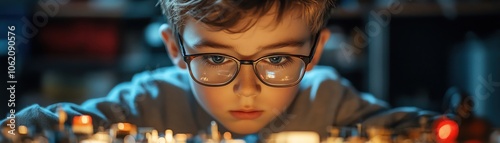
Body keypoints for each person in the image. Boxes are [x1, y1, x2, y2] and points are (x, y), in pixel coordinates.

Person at [1, 0, 437, 142]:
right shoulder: (147, 101)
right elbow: (34, 125)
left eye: (278, 60)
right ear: (175, 49)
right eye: (214, 59)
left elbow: (423, 130)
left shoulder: (330, 99)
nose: (246, 91)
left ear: (316, 51)